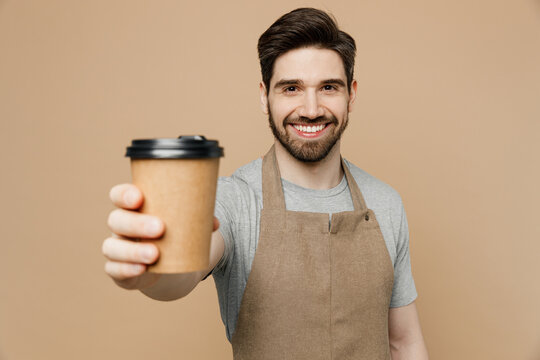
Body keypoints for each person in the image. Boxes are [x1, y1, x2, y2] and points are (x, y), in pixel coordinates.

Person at [102, 7, 429, 360]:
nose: (311, 108)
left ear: (351, 94)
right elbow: (181, 272)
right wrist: (151, 270)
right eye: (291, 88)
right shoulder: (234, 201)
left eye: (328, 87)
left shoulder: (385, 204)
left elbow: (404, 343)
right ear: (264, 96)